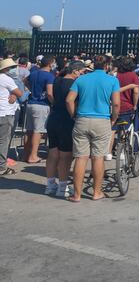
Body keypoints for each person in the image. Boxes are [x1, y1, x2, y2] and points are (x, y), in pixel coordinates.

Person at [65, 55, 120, 202]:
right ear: (107, 66)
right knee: (98, 157)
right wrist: (114, 118)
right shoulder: (113, 80)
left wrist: (73, 115)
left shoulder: (81, 79)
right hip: (102, 120)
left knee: (81, 157)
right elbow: (116, 104)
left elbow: (69, 99)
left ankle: (76, 195)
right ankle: (97, 192)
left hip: (82, 119)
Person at [44, 61, 85, 197]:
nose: (82, 74)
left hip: (53, 117)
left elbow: (51, 96)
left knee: (53, 153)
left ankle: (50, 185)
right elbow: (71, 101)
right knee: (66, 155)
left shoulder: (57, 80)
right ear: (75, 71)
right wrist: (73, 115)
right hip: (66, 120)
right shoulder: (74, 84)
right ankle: (62, 187)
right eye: (81, 72)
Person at [23, 56, 56, 163]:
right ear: (50, 64)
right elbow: (50, 93)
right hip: (42, 104)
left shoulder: (33, 73)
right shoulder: (49, 76)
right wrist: (53, 103)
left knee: (29, 130)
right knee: (38, 131)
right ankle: (33, 155)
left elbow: (25, 80)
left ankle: (26, 154)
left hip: (31, 103)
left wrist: (32, 90)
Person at [0, 58, 24, 176]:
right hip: (4, 112)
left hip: (4, 110)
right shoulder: (6, 79)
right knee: (3, 141)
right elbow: (20, 93)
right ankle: (1, 166)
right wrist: (14, 93)